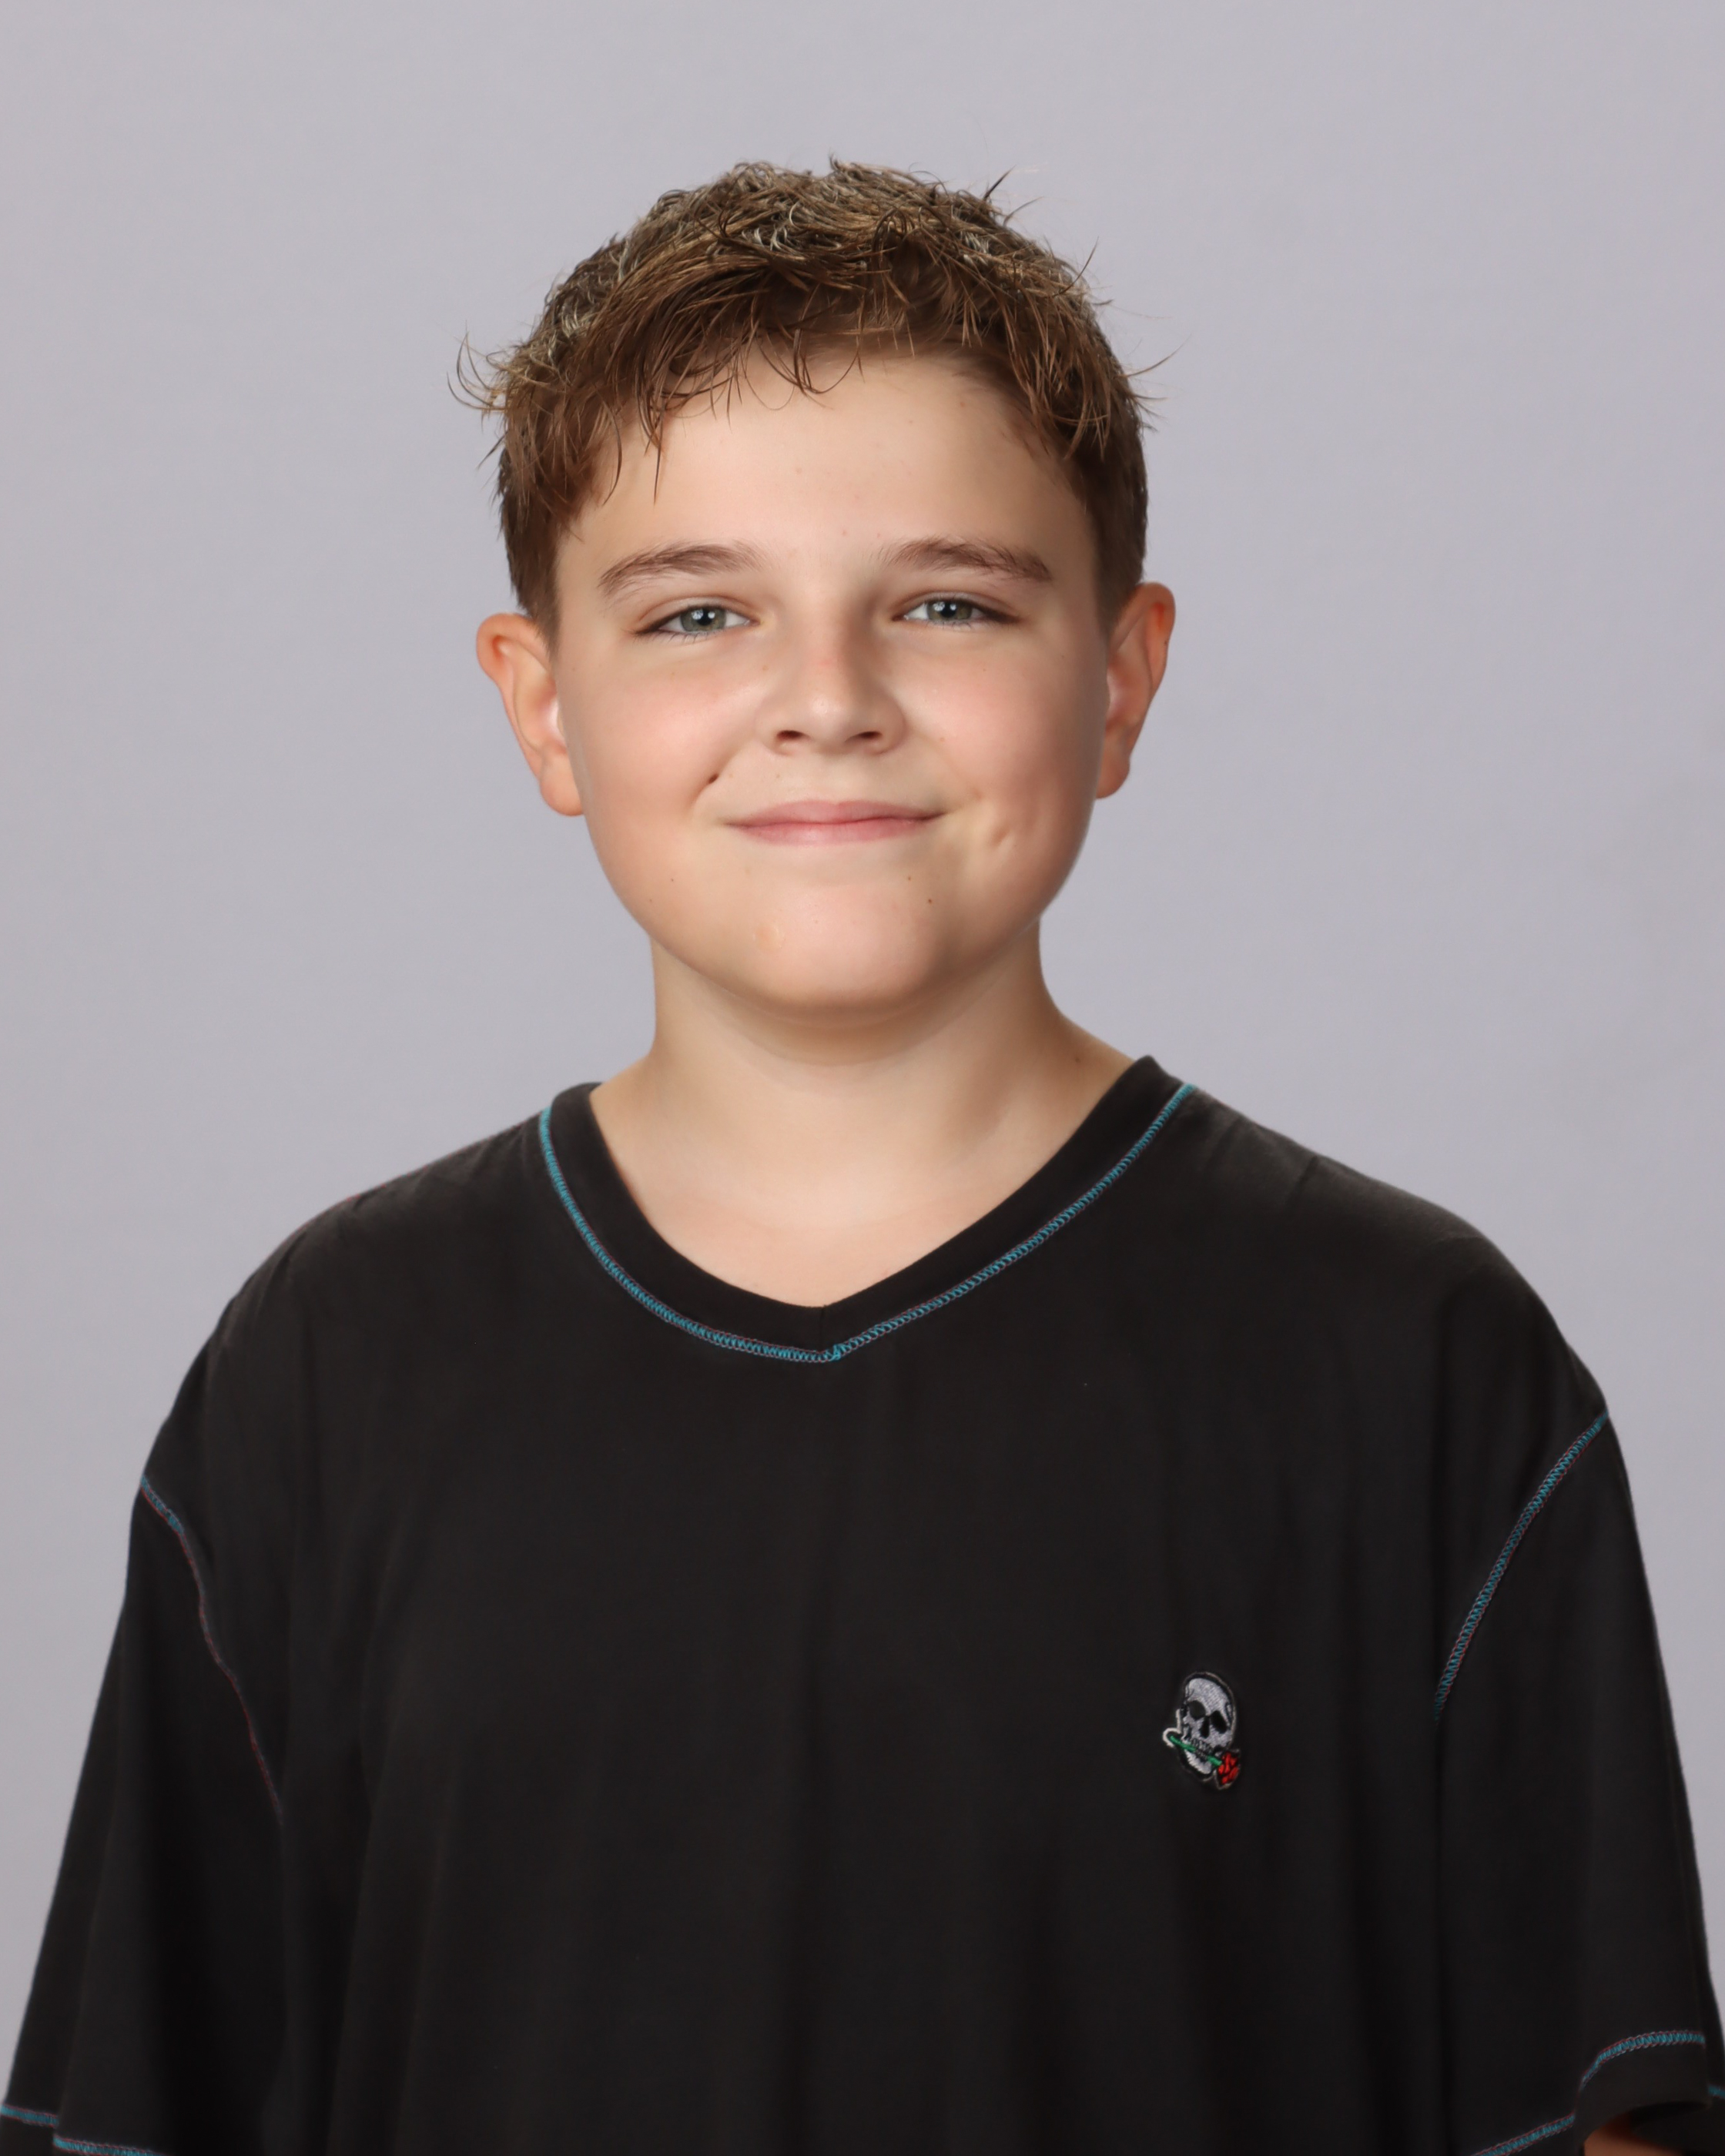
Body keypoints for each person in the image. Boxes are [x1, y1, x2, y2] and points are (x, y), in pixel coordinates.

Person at [2, 161, 1718, 2156]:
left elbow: (1602, 2121)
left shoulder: (1413, 1366)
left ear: (1121, 677)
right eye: (699, 614)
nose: (826, 703)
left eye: (948, 604)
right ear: (545, 707)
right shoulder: (327, 1371)